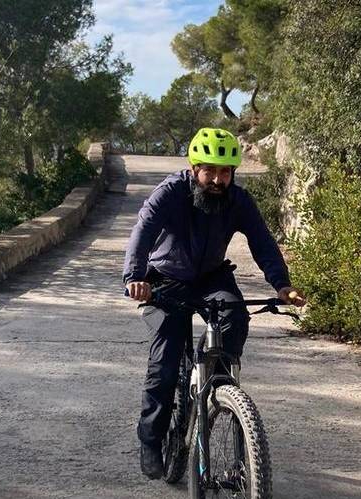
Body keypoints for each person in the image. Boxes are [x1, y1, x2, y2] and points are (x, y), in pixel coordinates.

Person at [122, 127, 306, 480]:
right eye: (210, 171)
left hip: (211, 277)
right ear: (194, 169)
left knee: (235, 317)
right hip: (164, 280)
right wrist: (135, 278)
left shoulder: (237, 201)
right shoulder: (171, 193)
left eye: (225, 172)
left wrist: (282, 285)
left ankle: (218, 390)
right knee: (165, 360)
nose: (218, 180)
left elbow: (262, 242)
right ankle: (151, 439)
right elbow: (142, 232)